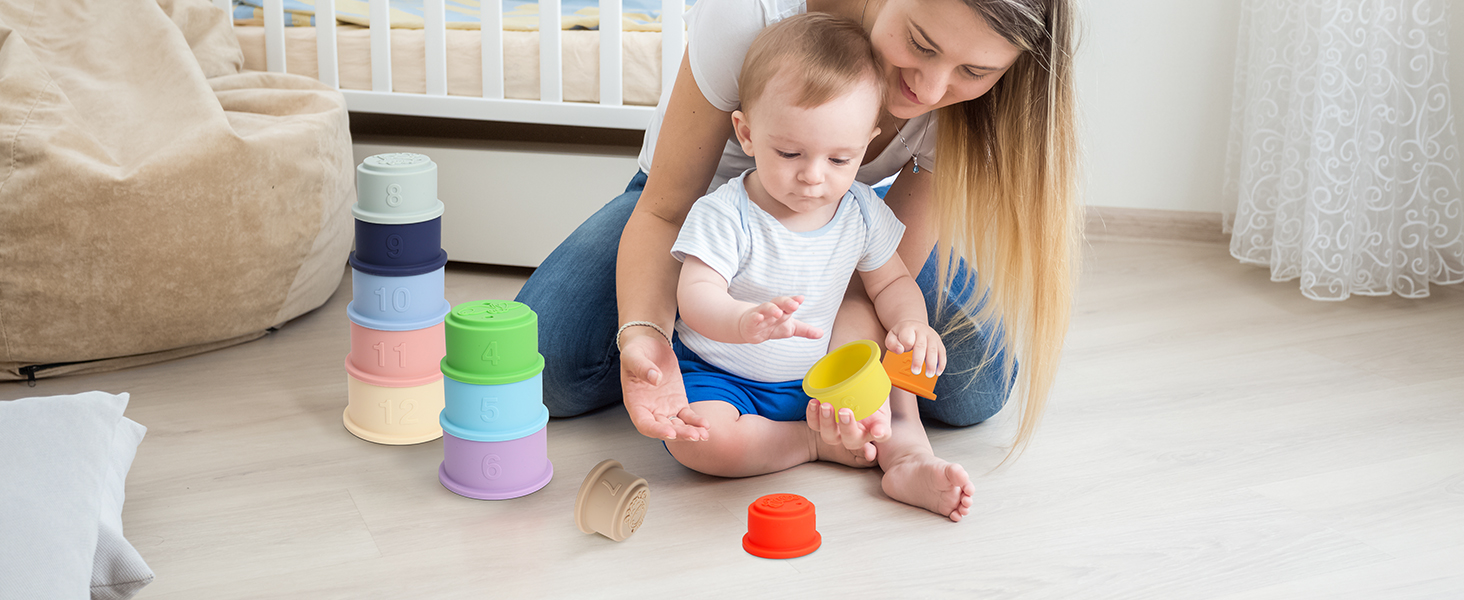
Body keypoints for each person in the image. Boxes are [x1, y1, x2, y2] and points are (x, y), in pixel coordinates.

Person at [516, 0, 1079, 522]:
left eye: (974, 72)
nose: (931, 90)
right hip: (694, 207)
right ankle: (710, 366)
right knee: (545, 370)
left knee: (979, 386)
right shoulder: (751, 15)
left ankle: (903, 458)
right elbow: (665, 211)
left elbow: (879, 283)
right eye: (921, 43)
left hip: (844, 228)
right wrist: (648, 333)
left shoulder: (867, 202)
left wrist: (877, 350)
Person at [664, 13, 949, 488]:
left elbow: (893, 282)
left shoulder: (858, 211)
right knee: (697, 437)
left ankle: (909, 456)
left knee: (890, 367)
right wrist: (740, 320)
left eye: (840, 159)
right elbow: (694, 293)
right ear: (747, 133)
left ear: (866, 146)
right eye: (790, 154)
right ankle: (812, 443)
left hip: (818, 377)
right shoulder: (726, 213)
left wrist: (912, 324)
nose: (814, 176)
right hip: (725, 378)